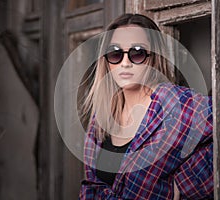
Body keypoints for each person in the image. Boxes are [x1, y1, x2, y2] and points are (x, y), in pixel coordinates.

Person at [78, 13, 213, 199]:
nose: (125, 63)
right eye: (115, 53)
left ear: (154, 57)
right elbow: (92, 184)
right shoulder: (101, 116)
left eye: (137, 53)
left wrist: (184, 185)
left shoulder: (174, 103)